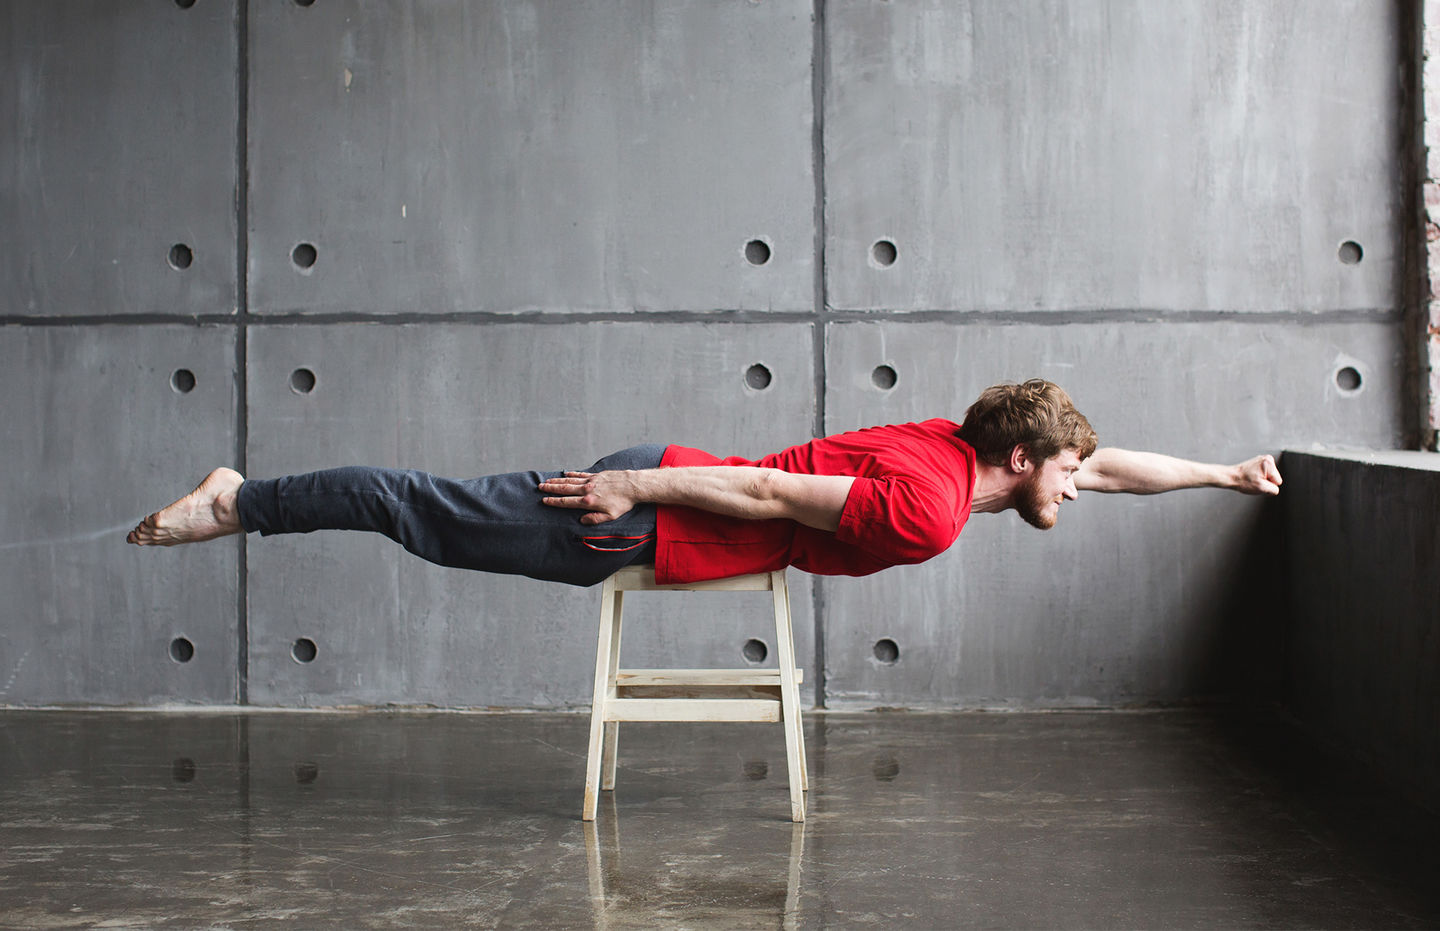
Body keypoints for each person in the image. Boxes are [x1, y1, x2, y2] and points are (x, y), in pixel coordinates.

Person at [126, 379, 1282, 586]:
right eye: (1068, 473)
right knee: (419, 510)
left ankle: (250, 499)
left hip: (658, 506)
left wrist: (1223, 474)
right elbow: (776, 502)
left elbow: (1117, 466)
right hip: (641, 523)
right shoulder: (930, 508)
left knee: (428, 520)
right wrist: (638, 498)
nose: (1083, 489)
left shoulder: (954, 444)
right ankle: (245, 499)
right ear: (1021, 460)